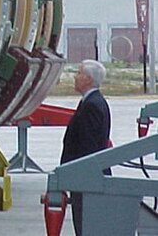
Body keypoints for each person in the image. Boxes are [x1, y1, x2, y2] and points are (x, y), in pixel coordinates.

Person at [60, 59, 112, 236]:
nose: (75, 77)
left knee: (85, 227)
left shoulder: (92, 106)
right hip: (84, 178)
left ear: (88, 79)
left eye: (79, 73)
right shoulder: (91, 102)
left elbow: (87, 147)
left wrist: (72, 173)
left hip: (86, 179)